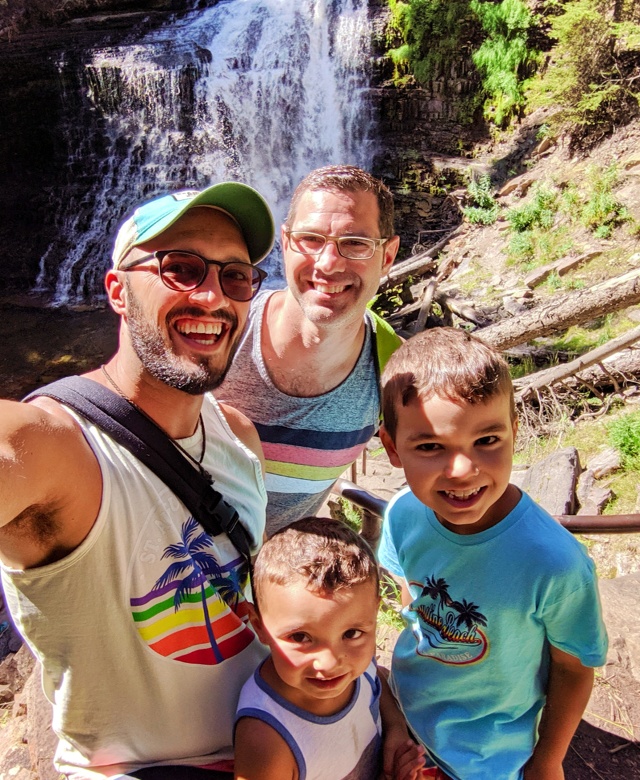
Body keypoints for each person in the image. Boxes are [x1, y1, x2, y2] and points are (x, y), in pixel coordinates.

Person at [0, 182, 276, 779]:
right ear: (117, 291)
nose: (212, 296)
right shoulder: (56, 446)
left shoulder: (238, 436)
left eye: (236, 277)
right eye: (181, 268)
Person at [377, 327, 608, 780]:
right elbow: (413, 607)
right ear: (391, 448)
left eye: (486, 441)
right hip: (401, 722)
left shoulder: (555, 564)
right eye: (430, 447)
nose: (462, 470)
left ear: (514, 432)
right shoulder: (402, 514)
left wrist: (547, 761)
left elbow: (574, 669)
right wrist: (394, 717)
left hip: (489, 759)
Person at [216, 165, 401, 536]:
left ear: (388, 256)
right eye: (311, 239)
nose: (328, 264)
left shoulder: (393, 369)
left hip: (272, 584)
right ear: (285, 243)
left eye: (355, 243)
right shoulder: (217, 329)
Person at [234, 517, 426, 780]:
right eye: (300, 637)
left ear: (374, 613)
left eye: (352, 633)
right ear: (259, 626)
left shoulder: (357, 663)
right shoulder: (267, 741)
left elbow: (375, 679)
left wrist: (395, 730)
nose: (330, 662)